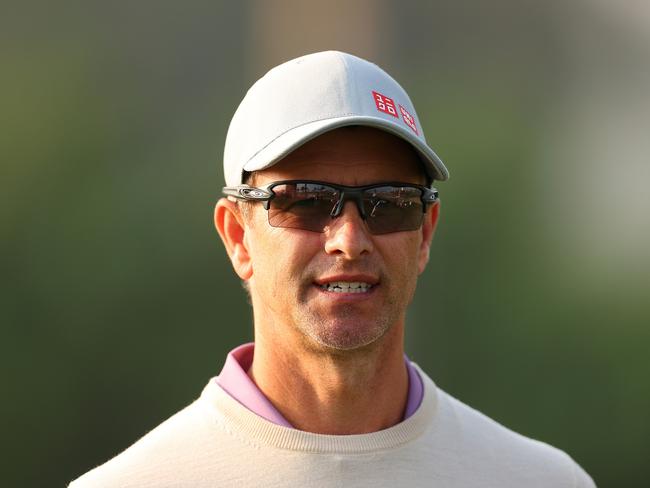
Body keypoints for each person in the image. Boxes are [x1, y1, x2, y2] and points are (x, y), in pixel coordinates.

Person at [70, 51, 595, 487]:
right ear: (237, 236)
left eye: (390, 202)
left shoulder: (541, 479)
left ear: (425, 232)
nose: (349, 240)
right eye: (305, 201)